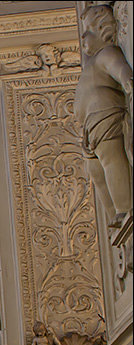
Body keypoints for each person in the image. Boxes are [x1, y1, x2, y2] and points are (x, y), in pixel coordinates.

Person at [74, 4, 133, 227]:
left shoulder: (106, 53)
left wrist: (127, 80)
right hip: (90, 127)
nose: (82, 36)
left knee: (112, 160)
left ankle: (124, 209)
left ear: (103, 30)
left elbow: (119, 68)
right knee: (97, 174)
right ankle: (114, 219)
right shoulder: (91, 63)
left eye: (88, 30)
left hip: (105, 116)